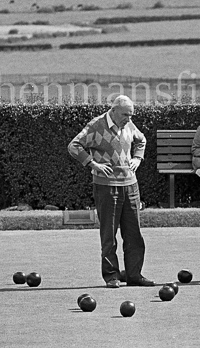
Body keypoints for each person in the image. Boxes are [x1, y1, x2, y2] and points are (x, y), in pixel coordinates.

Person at [67, 95, 155, 288]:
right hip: (106, 186)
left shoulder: (129, 125)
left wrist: (138, 159)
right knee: (109, 234)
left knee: (134, 234)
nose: (129, 119)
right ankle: (112, 276)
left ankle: (134, 275)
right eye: (125, 115)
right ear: (114, 110)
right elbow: (73, 146)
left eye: (131, 115)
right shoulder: (96, 125)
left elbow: (141, 140)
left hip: (131, 185)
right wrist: (92, 163)